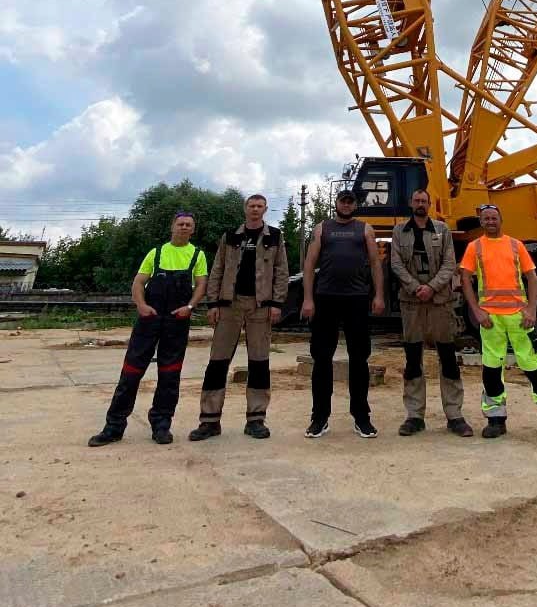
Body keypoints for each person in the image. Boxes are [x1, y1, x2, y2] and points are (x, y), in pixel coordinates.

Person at [460, 204, 537, 441]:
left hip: (519, 318)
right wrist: (476, 311)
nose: (490, 221)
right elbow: (465, 279)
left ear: (500, 220)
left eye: (494, 217)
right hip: (490, 320)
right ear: (481, 222)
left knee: (534, 366)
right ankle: (496, 420)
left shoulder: (516, 245)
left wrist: (531, 309)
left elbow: (532, 278)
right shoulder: (474, 247)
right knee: (491, 370)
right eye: (486, 218)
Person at [88, 211, 207, 447]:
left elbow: (202, 284)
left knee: (169, 376)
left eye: (188, 225)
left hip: (177, 321)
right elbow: (139, 282)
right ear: (172, 226)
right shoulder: (157, 252)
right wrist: (141, 306)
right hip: (149, 320)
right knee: (130, 373)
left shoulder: (198, 255)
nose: (184, 227)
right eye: (180, 223)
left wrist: (190, 306)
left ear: (192, 230)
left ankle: (161, 425)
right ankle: (113, 427)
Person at [189, 194, 288, 442]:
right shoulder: (230, 236)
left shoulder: (274, 236)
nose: (255, 209)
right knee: (218, 362)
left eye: (259, 206)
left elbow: (281, 271)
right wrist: (213, 303)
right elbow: (218, 269)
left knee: (259, 361)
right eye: (251, 206)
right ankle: (209, 421)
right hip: (229, 305)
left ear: (265, 210)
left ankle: (256, 419)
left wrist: (276, 303)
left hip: (260, 306)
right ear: (245, 209)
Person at [301, 188, 385, 439]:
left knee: (359, 359)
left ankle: (361, 417)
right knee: (322, 358)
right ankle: (319, 418)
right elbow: (308, 264)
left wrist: (378, 296)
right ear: (336, 203)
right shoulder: (322, 228)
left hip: (357, 299)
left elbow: (375, 264)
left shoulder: (365, 229)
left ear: (355, 205)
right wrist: (308, 299)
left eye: (350, 202)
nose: (346, 205)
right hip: (326, 299)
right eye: (343, 201)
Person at [390, 187, 473, 437]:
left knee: (448, 357)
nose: (420, 204)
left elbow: (450, 263)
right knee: (413, 358)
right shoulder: (399, 231)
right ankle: (415, 416)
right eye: (416, 200)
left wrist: (432, 287)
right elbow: (395, 263)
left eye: (424, 200)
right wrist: (416, 288)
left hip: (440, 302)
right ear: (410, 203)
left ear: (429, 204)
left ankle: (454, 415)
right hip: (412, 303)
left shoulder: (442, 230)